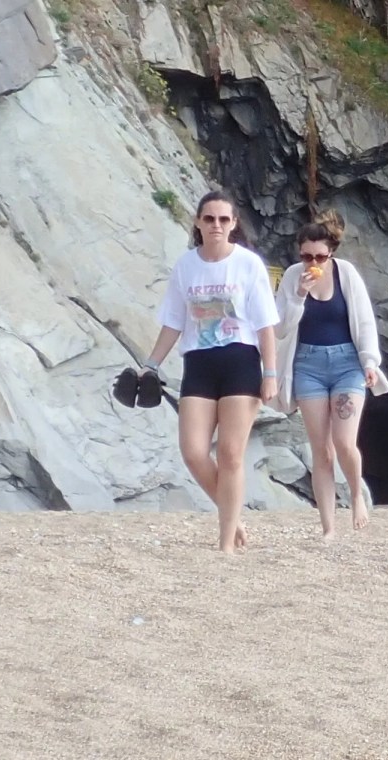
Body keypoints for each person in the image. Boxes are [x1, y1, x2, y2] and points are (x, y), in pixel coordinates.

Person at [142, 191, 281, 553]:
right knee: (193, 451)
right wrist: (150, 365)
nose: (216, 225)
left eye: (223, 219)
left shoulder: (248, 265)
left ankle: (225, 543)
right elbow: (173, 321)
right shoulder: (186, 266)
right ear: (198, 223)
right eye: (209, 219)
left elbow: (266, 324)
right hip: (199, 361)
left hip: (241, 359)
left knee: (232, 454)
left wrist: (271, 373)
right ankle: (231, 514)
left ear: (234, 224)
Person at [270, 210, 388, 540]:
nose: (314, 262)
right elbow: (279, 328)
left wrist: (369, 361)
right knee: (320, 450)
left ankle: (355, 496)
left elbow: (364, 321)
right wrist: (298, 294)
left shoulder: (346, 274)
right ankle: (327, 526)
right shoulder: (294, 277)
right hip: (307, 365)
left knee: (344, 442)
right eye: (307, 255)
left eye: (320, 256)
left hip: (346, 363)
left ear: (332, 253)